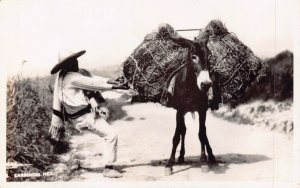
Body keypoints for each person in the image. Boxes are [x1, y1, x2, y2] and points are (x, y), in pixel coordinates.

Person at [49, 50, 128, 178]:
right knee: (111, 135)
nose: (77, 62)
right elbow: (92, 83)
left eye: (76, 59)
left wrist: (112, 81)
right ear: (67, 64)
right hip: (85, 117)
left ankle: (71, 160)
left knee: (107, 135)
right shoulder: (73, 78)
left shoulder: (62, 76)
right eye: (73, 60)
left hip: (78, 118)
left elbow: (91, 79)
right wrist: (116, 86)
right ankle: (108, 168)